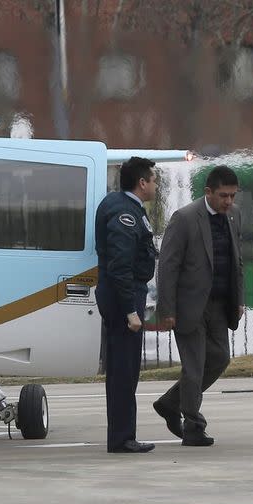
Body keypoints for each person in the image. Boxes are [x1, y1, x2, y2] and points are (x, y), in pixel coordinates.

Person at [153, 165, 244, 447]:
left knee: (219, 359)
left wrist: (238, 300)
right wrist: (166, 310)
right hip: (189, 307)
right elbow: (167, 267)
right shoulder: (185, 218)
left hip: (219, 305)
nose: (228, 202)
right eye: (223, 196)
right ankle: (193, 425)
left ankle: (170, 403)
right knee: (194, 367)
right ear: (208, 192)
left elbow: (236, 262)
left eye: (232, 196)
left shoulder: (233, 217)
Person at [95, 156, 159, 453]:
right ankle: (122, 438)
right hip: (124, 298)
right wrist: (131, 311)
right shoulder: (125, 214)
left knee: (124, 369)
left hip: (123, 294)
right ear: (142, 183)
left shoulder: (118, 204)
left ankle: (122, 435)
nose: (156, 186)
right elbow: (120, 266)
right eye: (153, 180)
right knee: (124, 370)